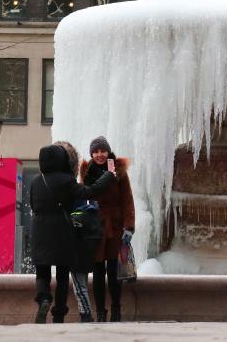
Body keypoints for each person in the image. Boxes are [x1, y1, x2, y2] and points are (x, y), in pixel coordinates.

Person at [30, 144, 116, 323]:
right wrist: (108, 176)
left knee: (42, 273)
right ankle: (59, 314)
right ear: (62, 160)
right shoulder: (67, 181)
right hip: (62, 231)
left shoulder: (36, 181)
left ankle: (44, 298)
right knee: (62, 275)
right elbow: (89, 192)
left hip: (40, 232)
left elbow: (33, 205)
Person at [79, 136, 134, 322]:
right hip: (96, 227)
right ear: (91, 154)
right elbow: (81, 199)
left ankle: (116, 309)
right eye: (96, 151)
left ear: (108, 152)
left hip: (116, 228)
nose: (99, 155)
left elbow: (127, 200)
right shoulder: (86, 172)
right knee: (97, 271)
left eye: (103, 151)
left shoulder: (119, 171)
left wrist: (129, 227)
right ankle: (101, 311)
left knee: (113, 272)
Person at [54, 140, 100, 322]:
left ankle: (85, 315)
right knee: (79, 281)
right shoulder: (76, 186)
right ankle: (86, 315)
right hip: (84, 239)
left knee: (76, 282)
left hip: (73, 240)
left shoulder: (67, 187)